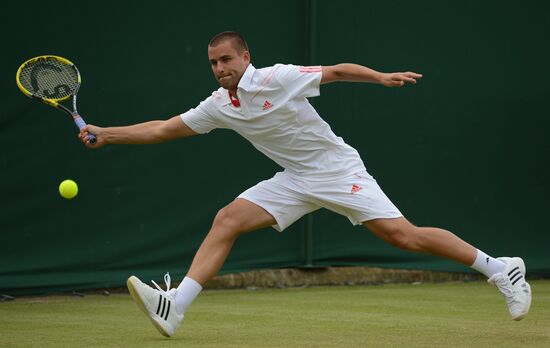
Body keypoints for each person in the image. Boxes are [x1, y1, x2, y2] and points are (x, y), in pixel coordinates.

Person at [79, 31, 531, 337]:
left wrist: (379, 76)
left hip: (337, 171)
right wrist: (107, 133)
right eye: (214, 63)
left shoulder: (278, 77)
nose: (220, 68)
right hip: (295, 179)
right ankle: (175, 306)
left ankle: (499, 267)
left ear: (245, 58)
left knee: (404, 236)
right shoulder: (220, 104)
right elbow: (163, 128)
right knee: (228, 219)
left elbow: (334, 71)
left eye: (227, 60)